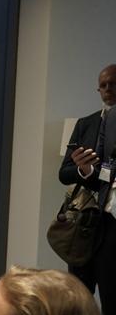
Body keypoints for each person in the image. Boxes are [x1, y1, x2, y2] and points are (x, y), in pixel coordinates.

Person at [58, 65, 115, 299]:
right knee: (77, 299)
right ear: (98, 89)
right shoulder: (85, 124)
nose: (108, 89)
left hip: (111, 223)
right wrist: (84, 171)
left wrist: (94, 171)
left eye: (113, 83)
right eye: (103, 85)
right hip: (84, 222)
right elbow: (64, 173)